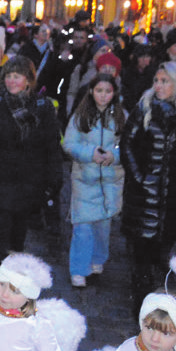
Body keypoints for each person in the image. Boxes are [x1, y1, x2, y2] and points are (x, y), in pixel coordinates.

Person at [121, 62, 176, 317]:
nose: (158, 85)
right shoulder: (144, 108)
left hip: (171, 200)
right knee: (140, 254)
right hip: (142, 196)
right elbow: (127, 145)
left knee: (162, 252)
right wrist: (140, 178)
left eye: (164, 81)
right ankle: (141, 307)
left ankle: (156, 301)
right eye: (156, 80)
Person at [0, 56, 61, 275]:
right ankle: (0, 277)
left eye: (16, 76)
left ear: (28, 80)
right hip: (0, 179)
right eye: (8, 76)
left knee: (19, 233)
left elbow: (51, 144)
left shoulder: (43, 106)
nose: (11, 81)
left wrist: (53, 176)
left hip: (30, 180)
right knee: (1, 231)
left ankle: (13, 276)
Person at [64, 74, 124, 288]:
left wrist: (113, 156)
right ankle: (79, 268)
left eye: (108, 91)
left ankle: (98, 258)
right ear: (91, 91)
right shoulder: (81, 116)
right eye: (99, 91)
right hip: (85, 179)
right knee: (82, 227)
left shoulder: (120, 116)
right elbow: (69, 143)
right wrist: (90, 153)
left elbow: (125, 144)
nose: (103, 95)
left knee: (102, 226)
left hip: (110, 180)